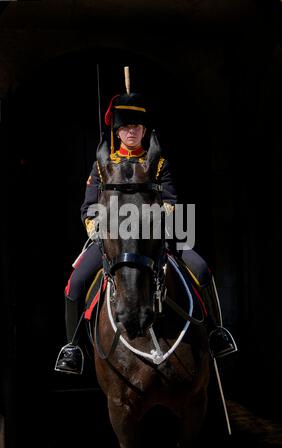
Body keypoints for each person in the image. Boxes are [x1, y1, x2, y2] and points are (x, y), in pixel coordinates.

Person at [55, 91, 237, 375]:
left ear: (144, 130)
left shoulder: (158, 164)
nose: (131, 132)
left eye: (136, 127)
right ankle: (72, 348)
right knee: (76, 283)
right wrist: (103, 227)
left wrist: (148, 222)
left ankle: (216, 333)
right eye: (126, 127)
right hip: (114, 237)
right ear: (118, 131)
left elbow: (171, 203)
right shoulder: (104, 167)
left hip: (155, 237)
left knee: (200, 269)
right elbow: (89, 207)